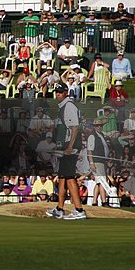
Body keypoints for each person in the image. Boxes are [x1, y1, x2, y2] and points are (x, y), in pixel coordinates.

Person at [46, 83, 87, 220]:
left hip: (71, 148)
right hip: (65, 147)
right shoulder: (62, 107)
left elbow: (74, 127)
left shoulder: (68, 106)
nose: (57, 94)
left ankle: (79, 209)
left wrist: (70, 146)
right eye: (56, 92)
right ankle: (59, 208)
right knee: (63, 177)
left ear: (65, 93)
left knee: (69, 178)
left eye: (60, 92)